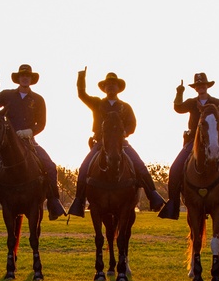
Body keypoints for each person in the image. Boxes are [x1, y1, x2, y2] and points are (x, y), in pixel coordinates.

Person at [0, 64, 66, 226]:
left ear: (31, 79)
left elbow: (41, 123)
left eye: (27, 76)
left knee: (50, 166)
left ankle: (53, 202)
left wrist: (29, 131)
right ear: (18, 78)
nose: (25, 78)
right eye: (22, 75)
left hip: (29, 141)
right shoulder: (7, 95)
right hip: (7, 143)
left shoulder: (38, 99)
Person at [68, 69, 166, 217]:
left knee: (139, 165)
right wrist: (81, 78)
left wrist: (125, 132)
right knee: (83, 168)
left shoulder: (125, 107)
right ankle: (79, 201)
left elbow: (132, 124)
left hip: (121, 143)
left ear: (118, 88)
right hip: (100, 143)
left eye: (113, 84)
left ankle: (153, 195)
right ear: (104, 88)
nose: (111, 87)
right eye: (108, 85)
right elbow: (82, 94)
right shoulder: (97, 103)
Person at [158, 73, 219, 221]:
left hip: (214, 140)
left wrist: (215, 140)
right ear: (195, 88)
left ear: (207, 86)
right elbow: (178, 108)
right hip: (193, 142)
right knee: (174, 168)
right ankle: (173, 203)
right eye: (198, 85)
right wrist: (179, 93)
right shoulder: (191, 102)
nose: (201, 87)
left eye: (203, 85)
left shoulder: (217, 102)